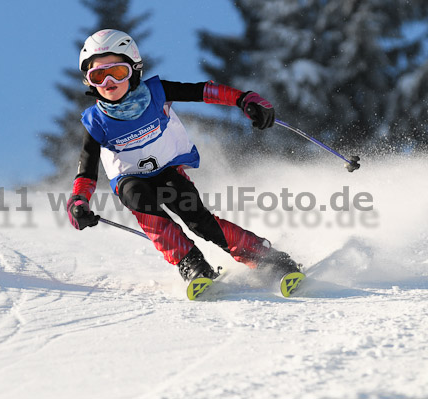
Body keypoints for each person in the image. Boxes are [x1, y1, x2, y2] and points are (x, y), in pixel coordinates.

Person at [66, 29, 300, 283]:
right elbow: (87, 170)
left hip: (167, 172)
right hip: (130, 179)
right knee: (139, 200)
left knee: (200, 222)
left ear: (134, 70)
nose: (108, 80)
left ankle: (266, 258)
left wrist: (243, 99)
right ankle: (191, 263)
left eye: (118, 71)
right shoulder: (96, 121)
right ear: (89, 82)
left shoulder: (157, 93)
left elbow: (203, 92)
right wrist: (79, 201)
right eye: (98, 75)